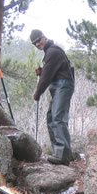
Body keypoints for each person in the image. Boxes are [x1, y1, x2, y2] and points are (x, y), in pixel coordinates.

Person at [30, 29, 74, 165]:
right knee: (51, 117)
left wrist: (37, 93)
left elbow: (46, 77)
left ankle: (62, 155)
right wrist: (42, 71)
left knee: (57, 118)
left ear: (44, 37)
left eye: (38, 40)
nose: (37, 44)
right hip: (60, 86)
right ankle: (61, 152)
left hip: (63, 86)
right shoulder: (50, 52)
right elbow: (49, 72)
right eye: (34, 43)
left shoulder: (53, 52)